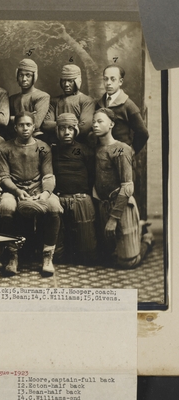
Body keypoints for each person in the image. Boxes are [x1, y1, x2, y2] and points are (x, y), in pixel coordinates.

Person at [0, 111, 62, 276]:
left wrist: (45, 194)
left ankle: (47, 257)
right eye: (21, 125)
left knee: (54, 206)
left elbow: (48, 176)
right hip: (14, 188)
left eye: (28, 125)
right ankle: (13, 255)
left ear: (34, 127)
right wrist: (17, 191)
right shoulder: (5, 147)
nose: (25, 128)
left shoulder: (43, 147)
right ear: (15, 127)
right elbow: (3, 177)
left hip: (38, 188)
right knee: (6, 206)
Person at [92, 108, 153, 268]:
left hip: (122, 206)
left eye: (100, 121)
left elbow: (127, 187)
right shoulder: (96, 148)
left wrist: (113, 219)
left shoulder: (121, 149)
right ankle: (137, 228)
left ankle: (146, 238)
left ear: (111, 124)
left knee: (128, 262)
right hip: (103, 206)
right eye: (93, 122)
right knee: (105, 257)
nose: (95, 125)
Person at [52, 113, 97, 264]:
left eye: (71, 128)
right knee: (57, 257)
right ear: (57, 130)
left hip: (81, 200)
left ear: (76, 130)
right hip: (59, 200)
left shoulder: (84, 150)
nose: (67, 132)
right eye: (63, 128)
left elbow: (92, 175)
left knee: (87, 257)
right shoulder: (52, 150)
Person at [96, 65, 149, 155]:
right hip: (102, 154)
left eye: (113, 79)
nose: (108, 83)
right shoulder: (99, 103)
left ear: (120, 82)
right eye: (105, 79)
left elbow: (143, 133)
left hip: (119, 155)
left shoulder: (128, 105)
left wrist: (131, 151)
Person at [42, 64, 95, 144]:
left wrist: (60, 125)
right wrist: (72, 125)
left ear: (77, 82)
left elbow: (84, 127)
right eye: (64, 80)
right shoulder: (54, 101)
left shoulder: (87, 101)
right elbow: (46, 125)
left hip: (80, 145)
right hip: (56, 145)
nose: (66, 84)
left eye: (70, 81)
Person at [9, 58, 49, 139]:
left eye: (28, 75)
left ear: (34, 77)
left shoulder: (42, 96)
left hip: (35, 136)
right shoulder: (12, 98)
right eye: (21, 75)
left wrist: (13, 118)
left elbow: (37, 123)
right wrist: (30, 115)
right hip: (15, 136)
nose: (24, 79)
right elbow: (6, 121)